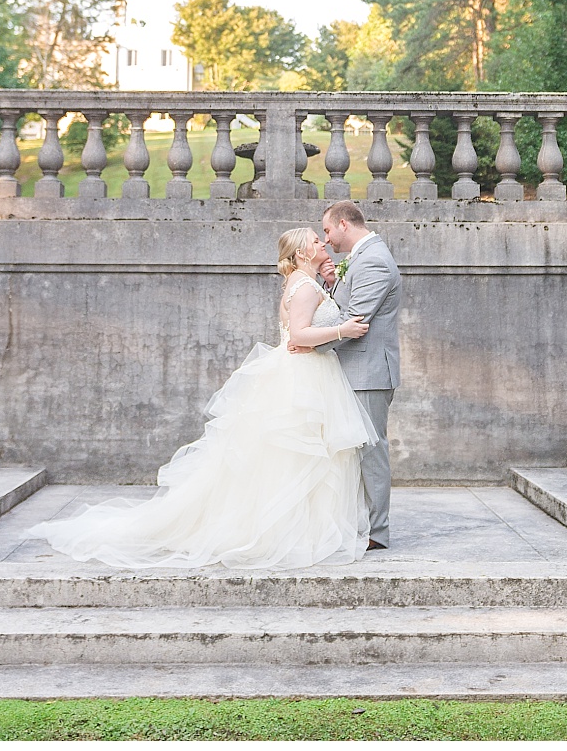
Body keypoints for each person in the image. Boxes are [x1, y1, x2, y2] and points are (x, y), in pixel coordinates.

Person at [28, 227, 378, 569]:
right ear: (302, 252)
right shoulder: (303, 287)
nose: (324, 242)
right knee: (300, 455)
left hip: (308, 371)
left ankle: (302, 528)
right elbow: (299, 333)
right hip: (305, 377)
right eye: (317, 241)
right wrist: (341, 330)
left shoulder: (302, 283)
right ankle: (291, 532)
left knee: (298, 457)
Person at [320, 200, 403, 551]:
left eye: (327, 231)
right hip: (355, 369)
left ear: (343, 223)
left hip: (368, 371)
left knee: (371, 450)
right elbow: (345, 304)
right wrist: (330, 282)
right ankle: (360, 524)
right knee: (354, 451)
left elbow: (355, 319)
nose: (326, 241)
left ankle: (377, 533)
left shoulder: (374, 261)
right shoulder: (360, 257)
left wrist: (307, 343)